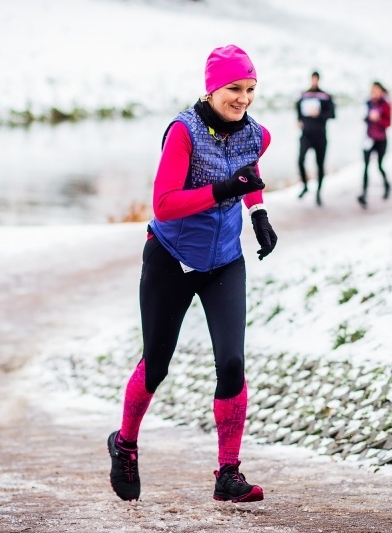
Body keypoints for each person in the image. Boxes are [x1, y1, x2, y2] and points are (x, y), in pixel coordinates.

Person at [107, 44, 277, 504]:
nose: (242, 98)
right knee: (157, 364)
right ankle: (124, 444)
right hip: (170, 257)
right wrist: (225, 188)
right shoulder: (184, 132)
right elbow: (163, 204)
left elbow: (250, 170)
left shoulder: (256, 135)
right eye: (234, 89)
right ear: (211, 88)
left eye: (250, 89)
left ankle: (228, 473)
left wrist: (257, 212)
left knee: (233, 362)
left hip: (224, 260)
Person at [296, 71, 336, 205]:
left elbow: (332, 113)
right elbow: (297, 108)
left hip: (320, 135)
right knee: (300, 160)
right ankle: (305, 186)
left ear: (318, 80)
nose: (314, 81)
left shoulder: (325, 96)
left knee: (320, 165)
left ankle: (318, 192)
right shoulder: (304, 95)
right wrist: (298, 119)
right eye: (312, 79)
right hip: (306, 135)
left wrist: (319, 114)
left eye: (316, 79)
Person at [357, 82, 392, 208]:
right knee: (365, 167)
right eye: (373, 90)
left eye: (377, 90)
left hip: (381, 139)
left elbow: (388, 123)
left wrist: (378, 119)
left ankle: (387, 185)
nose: (375, 93)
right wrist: (367, 117)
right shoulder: (368, 103)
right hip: (368, 138)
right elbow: (363, 118)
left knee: (380, 165)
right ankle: (364, 194)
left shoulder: (386, 104)